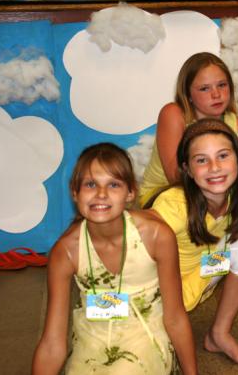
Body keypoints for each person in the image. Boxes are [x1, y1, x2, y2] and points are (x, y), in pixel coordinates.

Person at [32, 143, 197, 374]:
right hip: (92, 340)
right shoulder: (67, 251)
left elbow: (175, 318)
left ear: (130, 192)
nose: (101, 194)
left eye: (113, 184)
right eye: (90, 184)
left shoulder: (156, 236)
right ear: (75, 192)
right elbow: (52, 342)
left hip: (146, 335)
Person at [139, 52, 238, 287]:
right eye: (204, 88)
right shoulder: (174, 114)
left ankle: (209, 274)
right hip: (169, 204)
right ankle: (176, 278)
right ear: (187, 93)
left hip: (214, 204)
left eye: (222, 85)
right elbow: (177, 177)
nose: (216, 94)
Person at [148, 118, 238, 368]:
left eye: (223, 156)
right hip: (159, 290)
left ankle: (219, 334)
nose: (215, 168)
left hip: (202, 272)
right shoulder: (173, 207)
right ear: (187, 169)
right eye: (202, 160)